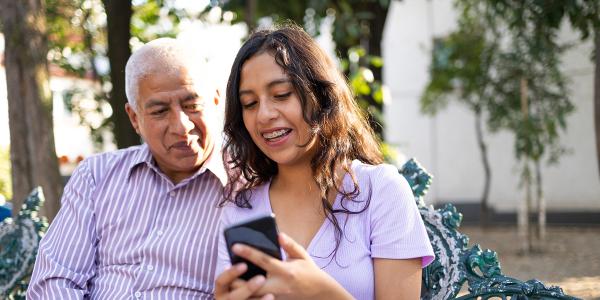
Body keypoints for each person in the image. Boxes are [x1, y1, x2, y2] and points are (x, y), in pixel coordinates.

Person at [214, 24, 435, 300]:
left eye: (282, 94)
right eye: (249, 103)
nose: (264, 115)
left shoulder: (381, 190)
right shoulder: (239, 211)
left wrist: (323, 294)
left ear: (320, 96)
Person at [27, 38, 226, 299]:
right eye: (160, 111)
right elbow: (53, 281)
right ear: (135, 118)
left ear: (215, 101)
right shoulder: (97, 176)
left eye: (192, 106)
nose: (181, 126)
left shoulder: (247, 186)